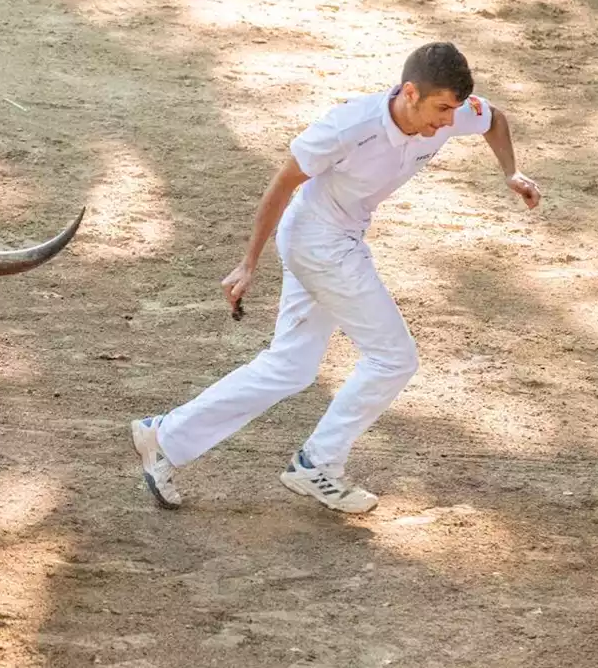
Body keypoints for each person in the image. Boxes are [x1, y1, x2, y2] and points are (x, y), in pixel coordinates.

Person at [131, 42, 541, 514]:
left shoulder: (451, 112)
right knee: (393, 359)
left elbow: (495, 119)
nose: (448, 122)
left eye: (453, 110)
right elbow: (282, 184)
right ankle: (317, 464)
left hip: (337, 239)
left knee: (291, 366)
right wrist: (248, 264)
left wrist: (512, 171)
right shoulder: (349, 127)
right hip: (319, 242)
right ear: (410, 93)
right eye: (441, 109)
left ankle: (164, 435)